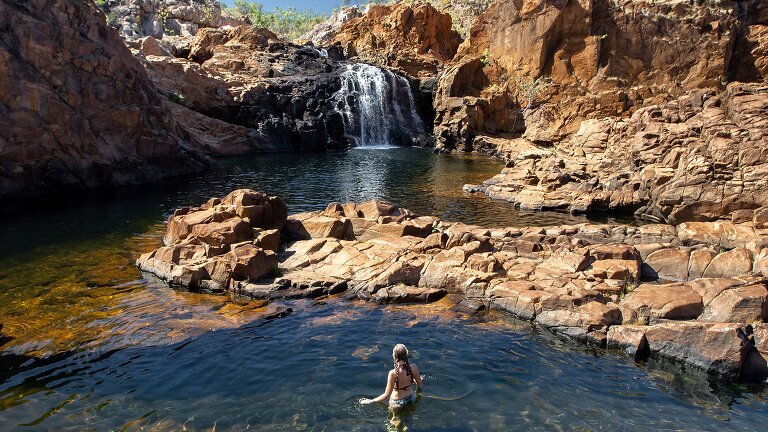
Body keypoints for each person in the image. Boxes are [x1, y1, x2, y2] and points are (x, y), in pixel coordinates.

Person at [361, 343, 422, 408]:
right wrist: (414, 379)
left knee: (395, 418)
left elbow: (386, 395)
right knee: (411, 415)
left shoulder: (393, 373)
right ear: (406, 355)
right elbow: (419, 383)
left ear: (394, 356)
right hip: (411, 397)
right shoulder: (414, 367)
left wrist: (371, 401)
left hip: (397, 402)